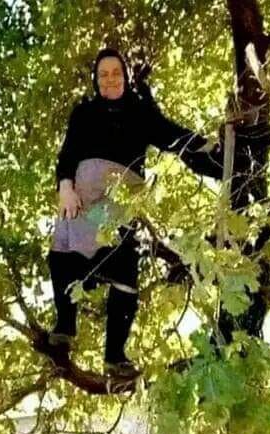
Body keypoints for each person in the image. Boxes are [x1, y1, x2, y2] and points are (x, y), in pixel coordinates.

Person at [48, 48, 221, 379]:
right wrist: (65, 187)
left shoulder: (140, 112)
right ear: (95, 80)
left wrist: (219, 156)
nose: (110, 79)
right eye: (103, 74)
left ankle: (115, 356)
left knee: (125, 271)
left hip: (122, 202)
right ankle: (65, 327)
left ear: (126, 77)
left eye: (116, 73)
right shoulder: (84, 112)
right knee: (64, 257)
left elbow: (175, 138)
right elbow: (68, 153)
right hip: (82, 199)